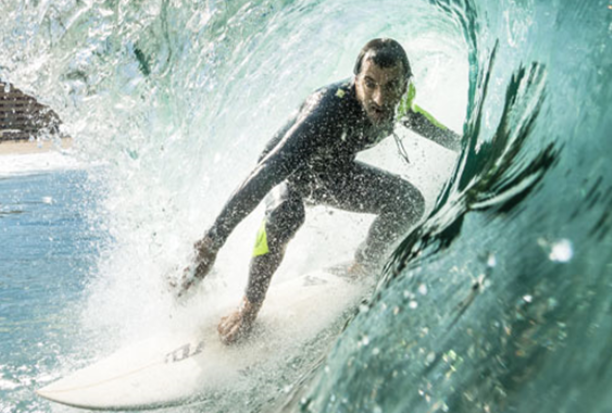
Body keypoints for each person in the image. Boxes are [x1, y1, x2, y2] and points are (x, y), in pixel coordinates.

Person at [177, 38, 461, 344]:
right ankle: (248, 307)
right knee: (288, 214)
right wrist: (212, 243)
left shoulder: (399, 100)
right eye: (370, 84)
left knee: (408, 202)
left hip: (334, 174)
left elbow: (416, 119)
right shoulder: (326, 111)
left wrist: (464, 143)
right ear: (356, 81)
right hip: (290, 174)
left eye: (392, 85)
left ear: (406, 84)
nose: (380, 98)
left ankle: (363, 266)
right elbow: (266, 173)